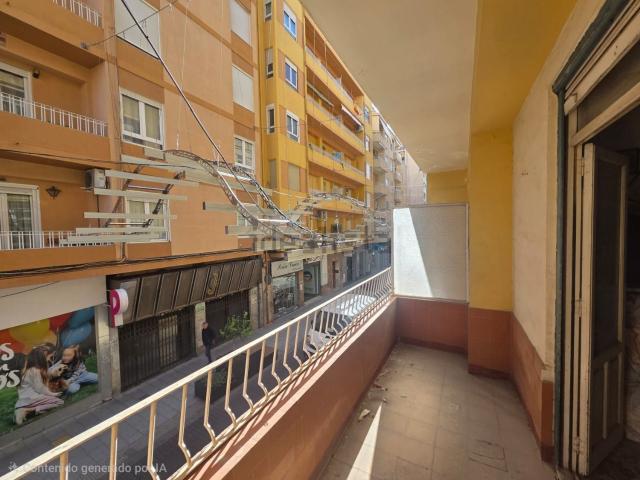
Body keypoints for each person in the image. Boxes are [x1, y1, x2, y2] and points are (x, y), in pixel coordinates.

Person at [14, 347, 64, 425]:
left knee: (50, 399)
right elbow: (40, 389)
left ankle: (24, 409)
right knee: (59, 402)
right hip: (33, 399)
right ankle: (28, 410)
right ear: (42, 358)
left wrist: (54, 372)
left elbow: (40, 379)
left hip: (22, 401)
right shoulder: (35, 371)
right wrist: (53, 394)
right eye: (48, 357)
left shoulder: (26, 370)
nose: (49, 360)